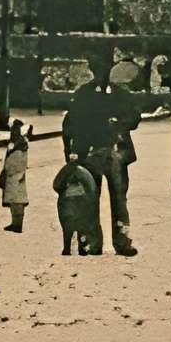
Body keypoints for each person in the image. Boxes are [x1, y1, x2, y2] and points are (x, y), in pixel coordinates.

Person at [63, 54, 141, 256]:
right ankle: (91, 242)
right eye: (98, 69)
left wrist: (120, 123)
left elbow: (135, 117)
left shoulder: (119, 93)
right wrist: (71, 153)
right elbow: (71, 123)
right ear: (92, 70)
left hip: (116, 152)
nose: (102, 73)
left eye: (105, 69)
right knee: (89, 198)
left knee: (120, 200)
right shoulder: (84, 94)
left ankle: (122, 242)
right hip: (90, 153)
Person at [54, 145, 103, 256]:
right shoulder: (83, 172)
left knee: (68, 229)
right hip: (80, 205)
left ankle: (68, 248)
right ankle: (81, 248)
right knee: (81, 229)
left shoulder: (66, 171)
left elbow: (56, 185)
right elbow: (92, 189)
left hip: (67, 205)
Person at [0, 119, 34, 233]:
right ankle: (15, 223)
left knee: (16, 201)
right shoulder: (20, 143)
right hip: (17, 177)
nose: (12, 132)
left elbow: (13, 165)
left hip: (15, 177)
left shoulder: (17, 146)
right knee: (15, 200)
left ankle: (17, 225)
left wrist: (6, 172)